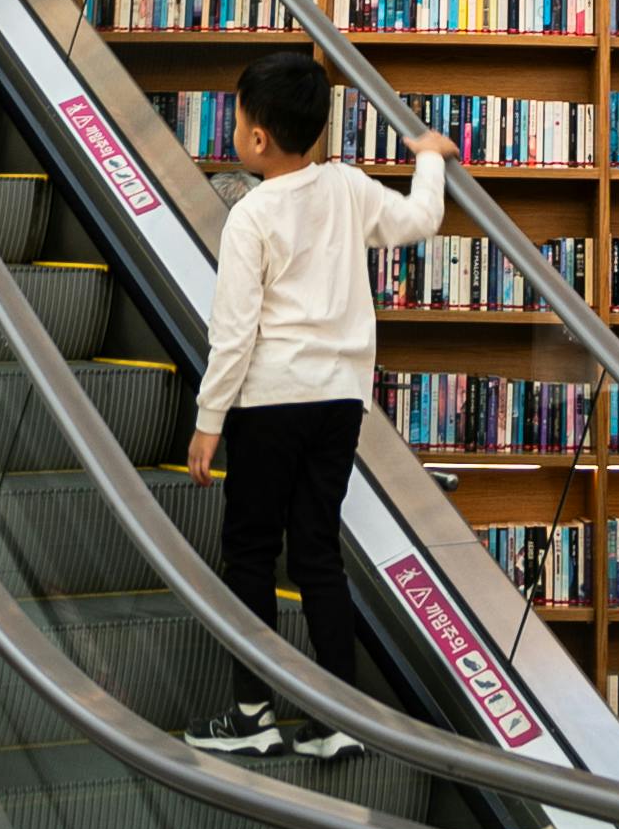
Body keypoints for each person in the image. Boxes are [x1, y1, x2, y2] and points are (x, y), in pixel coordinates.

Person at [184, 50, 445, 768]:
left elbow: (234, 333)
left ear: (256, 139)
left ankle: (252, 714)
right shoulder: (350, 189)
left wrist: (210, 421)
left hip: (270, 402)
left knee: (252, 554)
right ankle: (340, 716)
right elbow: (422, 220)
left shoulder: (252, 216)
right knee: (319, 552)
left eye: (238, 119)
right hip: (340, 402)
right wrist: (426, 156)